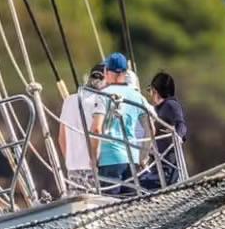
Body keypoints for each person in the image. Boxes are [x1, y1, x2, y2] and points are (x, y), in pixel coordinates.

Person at [96, 52, 153, 193]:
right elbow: (151, 129)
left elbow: (96, 129)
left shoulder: (103, 95)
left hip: (109, 160)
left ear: (107, 72)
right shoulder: (137, 96)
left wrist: (93, 158)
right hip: (132, 160)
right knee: (130, 205)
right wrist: (143, 157)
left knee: (109, 208)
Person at [56, 63, 107, 192]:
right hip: (92, 165)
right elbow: (96, 130)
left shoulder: (69, 100)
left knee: (78, 206)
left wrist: (69, 159)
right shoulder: (100, 100)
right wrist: (94, 159)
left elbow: (61, 137)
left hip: (72, 166)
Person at [144, 71, 188, 187]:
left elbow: (181, 125)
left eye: (150, 90)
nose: (150, 94)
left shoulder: (170, 105)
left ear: (156, 91)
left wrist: (177, 136)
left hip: (166, 172)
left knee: (127, 187)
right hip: (157, 169)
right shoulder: (158, 109)